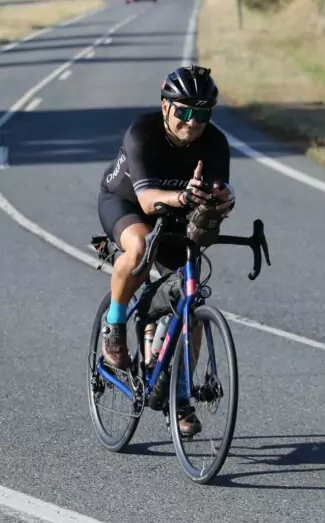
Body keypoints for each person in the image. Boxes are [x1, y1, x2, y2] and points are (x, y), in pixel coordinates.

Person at [96, 64, 236, 435]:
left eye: (202, 115)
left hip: (176, 213)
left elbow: (216, 196)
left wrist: (224, 199)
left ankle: (180, 395)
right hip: (126, 203)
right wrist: (182, 196)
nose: (192, 122)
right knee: (140, 248)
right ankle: (114, 326)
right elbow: (146, 201)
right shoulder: (142, 133)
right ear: (165, 106)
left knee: (190, 302)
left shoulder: (215, 143)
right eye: (184, 112)